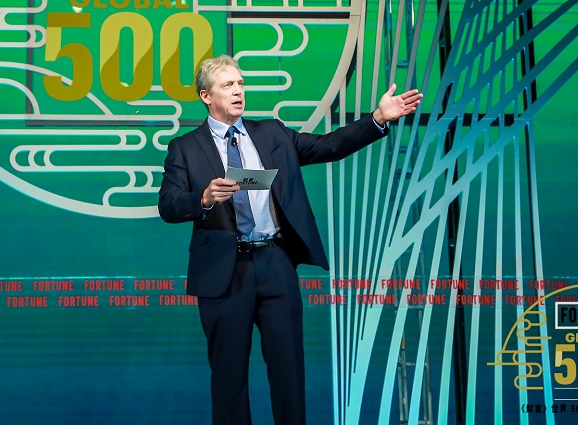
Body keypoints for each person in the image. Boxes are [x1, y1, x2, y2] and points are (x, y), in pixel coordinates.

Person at [158, 54, 422, 425]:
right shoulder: (185, 147)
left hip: (275, 264)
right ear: (206, 96)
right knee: (229, 379)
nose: (238, 91)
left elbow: (328, 145)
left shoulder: (272, 134)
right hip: (223, 272)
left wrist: (377, 119)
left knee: (289, 373)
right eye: (227, 85)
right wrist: (202, 198)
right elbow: (168, 205)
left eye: (240, 83)